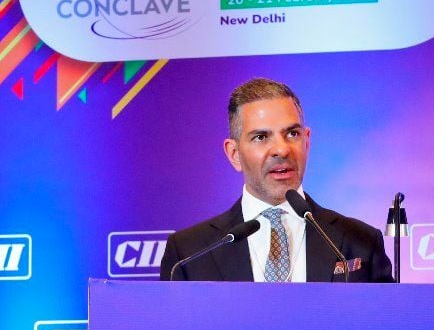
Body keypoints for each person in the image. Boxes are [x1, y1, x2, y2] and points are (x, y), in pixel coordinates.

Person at [160, 78, 393, 282]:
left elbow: (385, 329)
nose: (281, 150)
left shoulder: (361, 242)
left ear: (307, 142)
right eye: (261, 137)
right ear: (234, 154)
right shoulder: (189, 253)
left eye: (292, 134)